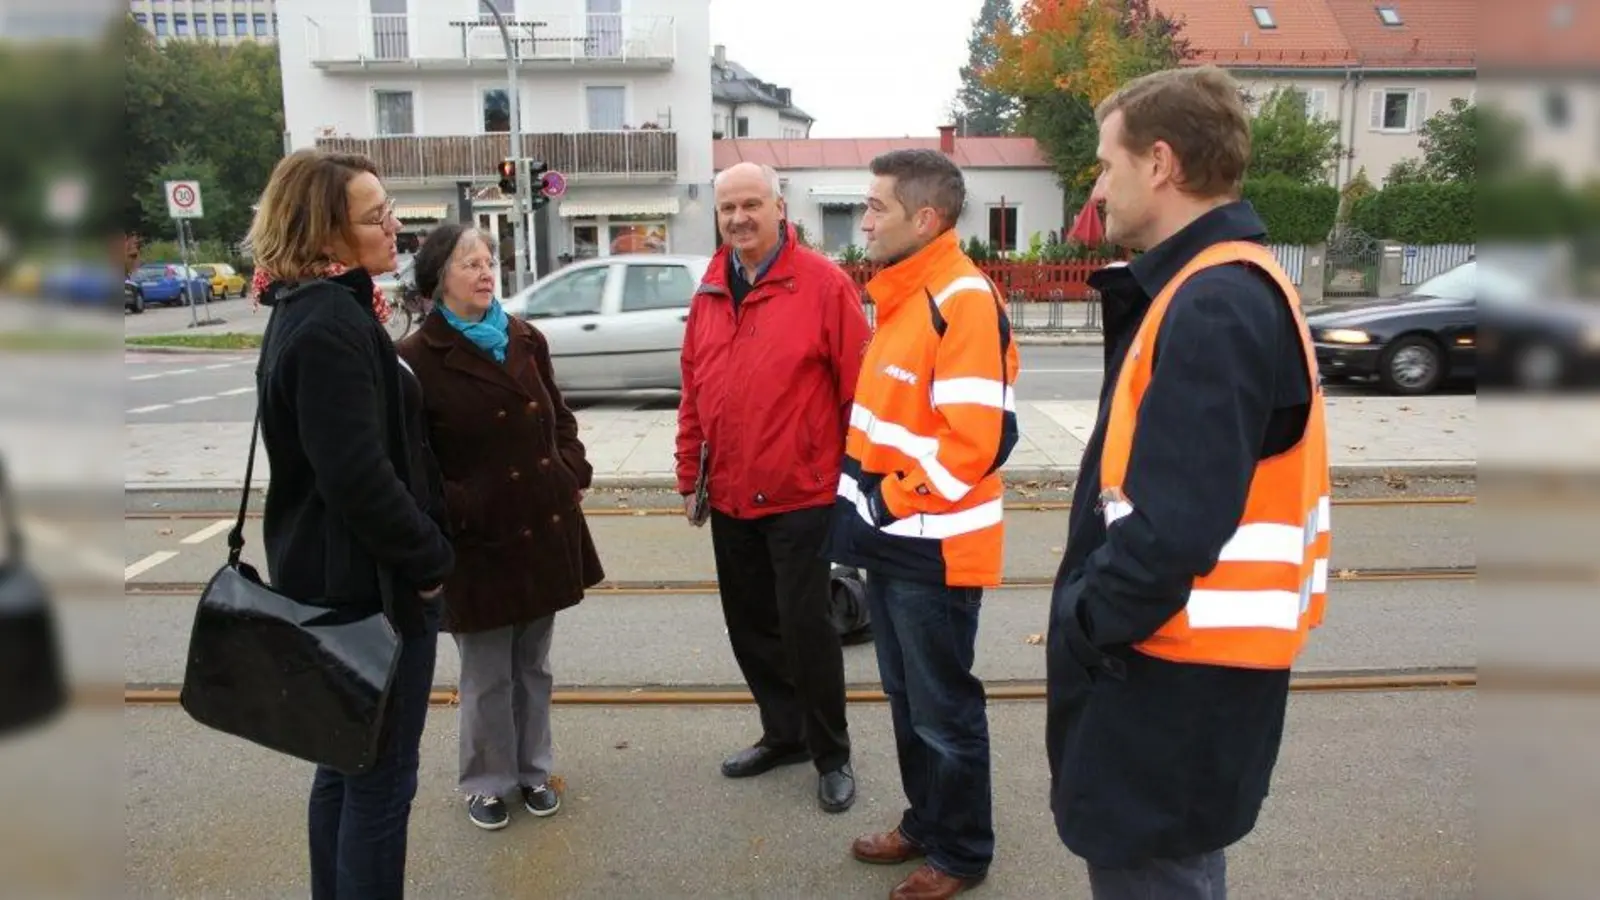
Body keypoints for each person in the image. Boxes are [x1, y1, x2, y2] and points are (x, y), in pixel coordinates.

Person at [1044, 66, 1333, 900]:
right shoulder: (1216, 283)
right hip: (1185, 682)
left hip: (1166, 685)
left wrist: (1087, 621)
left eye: (1107, 165)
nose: (1099, 189)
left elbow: (1173, 528)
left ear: (1161, 162)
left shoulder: (1212, 300)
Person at [246, 148, 454, 899]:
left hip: (338, 581)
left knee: (343, 766)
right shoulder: (332, 324)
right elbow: (357, 477)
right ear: (325, 231)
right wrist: (429, 562)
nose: (394, 226)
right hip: (371, 592)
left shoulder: (308, 309)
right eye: (376, 217)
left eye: (388, 210)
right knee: (379, 779)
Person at [823, 148, 1019, 900]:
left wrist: (885, 502)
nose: (865, 222)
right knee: (909, 702)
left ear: (926, 219)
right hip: (895, 544)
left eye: (877, 208)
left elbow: (977, 441)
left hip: (934, 549)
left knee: (943, 711)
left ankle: (962, 852)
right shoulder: (908, 293)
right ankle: (926, 822)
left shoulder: (960, 299)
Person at [675, 161, 872, 813]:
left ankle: (832, 753)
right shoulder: (710, 288)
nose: (739, 219)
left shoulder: (822, 284)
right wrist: (689, 473)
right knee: (751, 627)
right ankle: (784, 735)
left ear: (779, 208)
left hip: (802, 494)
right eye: (727, 208)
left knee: (807, 631)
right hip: (731, 492)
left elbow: (858, 393)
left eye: (751, 205)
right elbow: (694, 392)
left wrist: (854, 486)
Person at [397, 224, 604, 831]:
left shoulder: (524, 337)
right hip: (476, 540)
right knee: (487, 672)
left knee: (533, 664)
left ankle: (534, 770)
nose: (486, 272)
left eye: (489, 262)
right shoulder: (415, 357)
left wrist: (570, 469)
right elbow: (414, 461)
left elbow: (559, 416)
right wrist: (459, 507)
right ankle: (487, 781)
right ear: (439, 278)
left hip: (540, 524)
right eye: (470, 264)